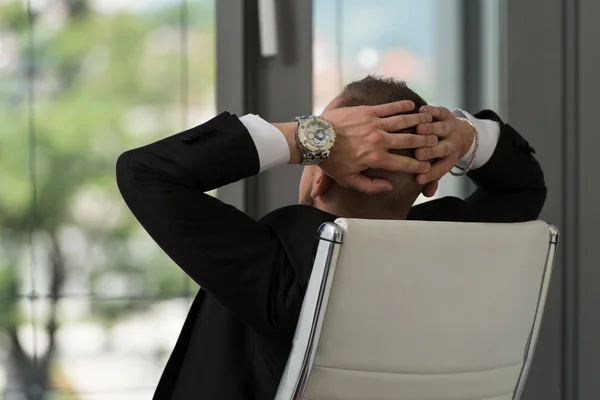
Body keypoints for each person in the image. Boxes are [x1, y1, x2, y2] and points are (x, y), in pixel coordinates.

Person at [116, 76, 546, 399]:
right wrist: (465, 136)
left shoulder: (287, 266)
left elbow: (145, 171)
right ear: (427, 181)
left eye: (325, 137)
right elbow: (524, 186)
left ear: (321, 178)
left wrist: (306, 138)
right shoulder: (465, 248)